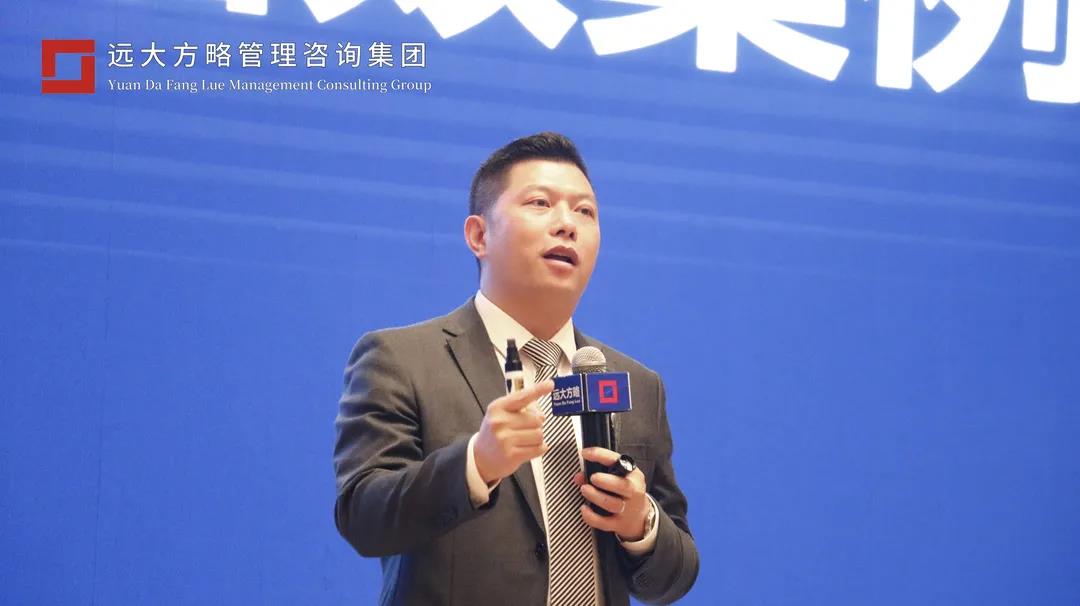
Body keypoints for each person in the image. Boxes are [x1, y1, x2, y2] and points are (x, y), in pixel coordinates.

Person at [333, 132, 699, 605]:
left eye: (585, 212)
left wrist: (640, 524)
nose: (567, 225)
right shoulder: (401, 359)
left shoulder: (636, 384)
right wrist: (476, 463)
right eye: (540, 203)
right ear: (479, 236)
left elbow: (675, 576)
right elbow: (363, 517)